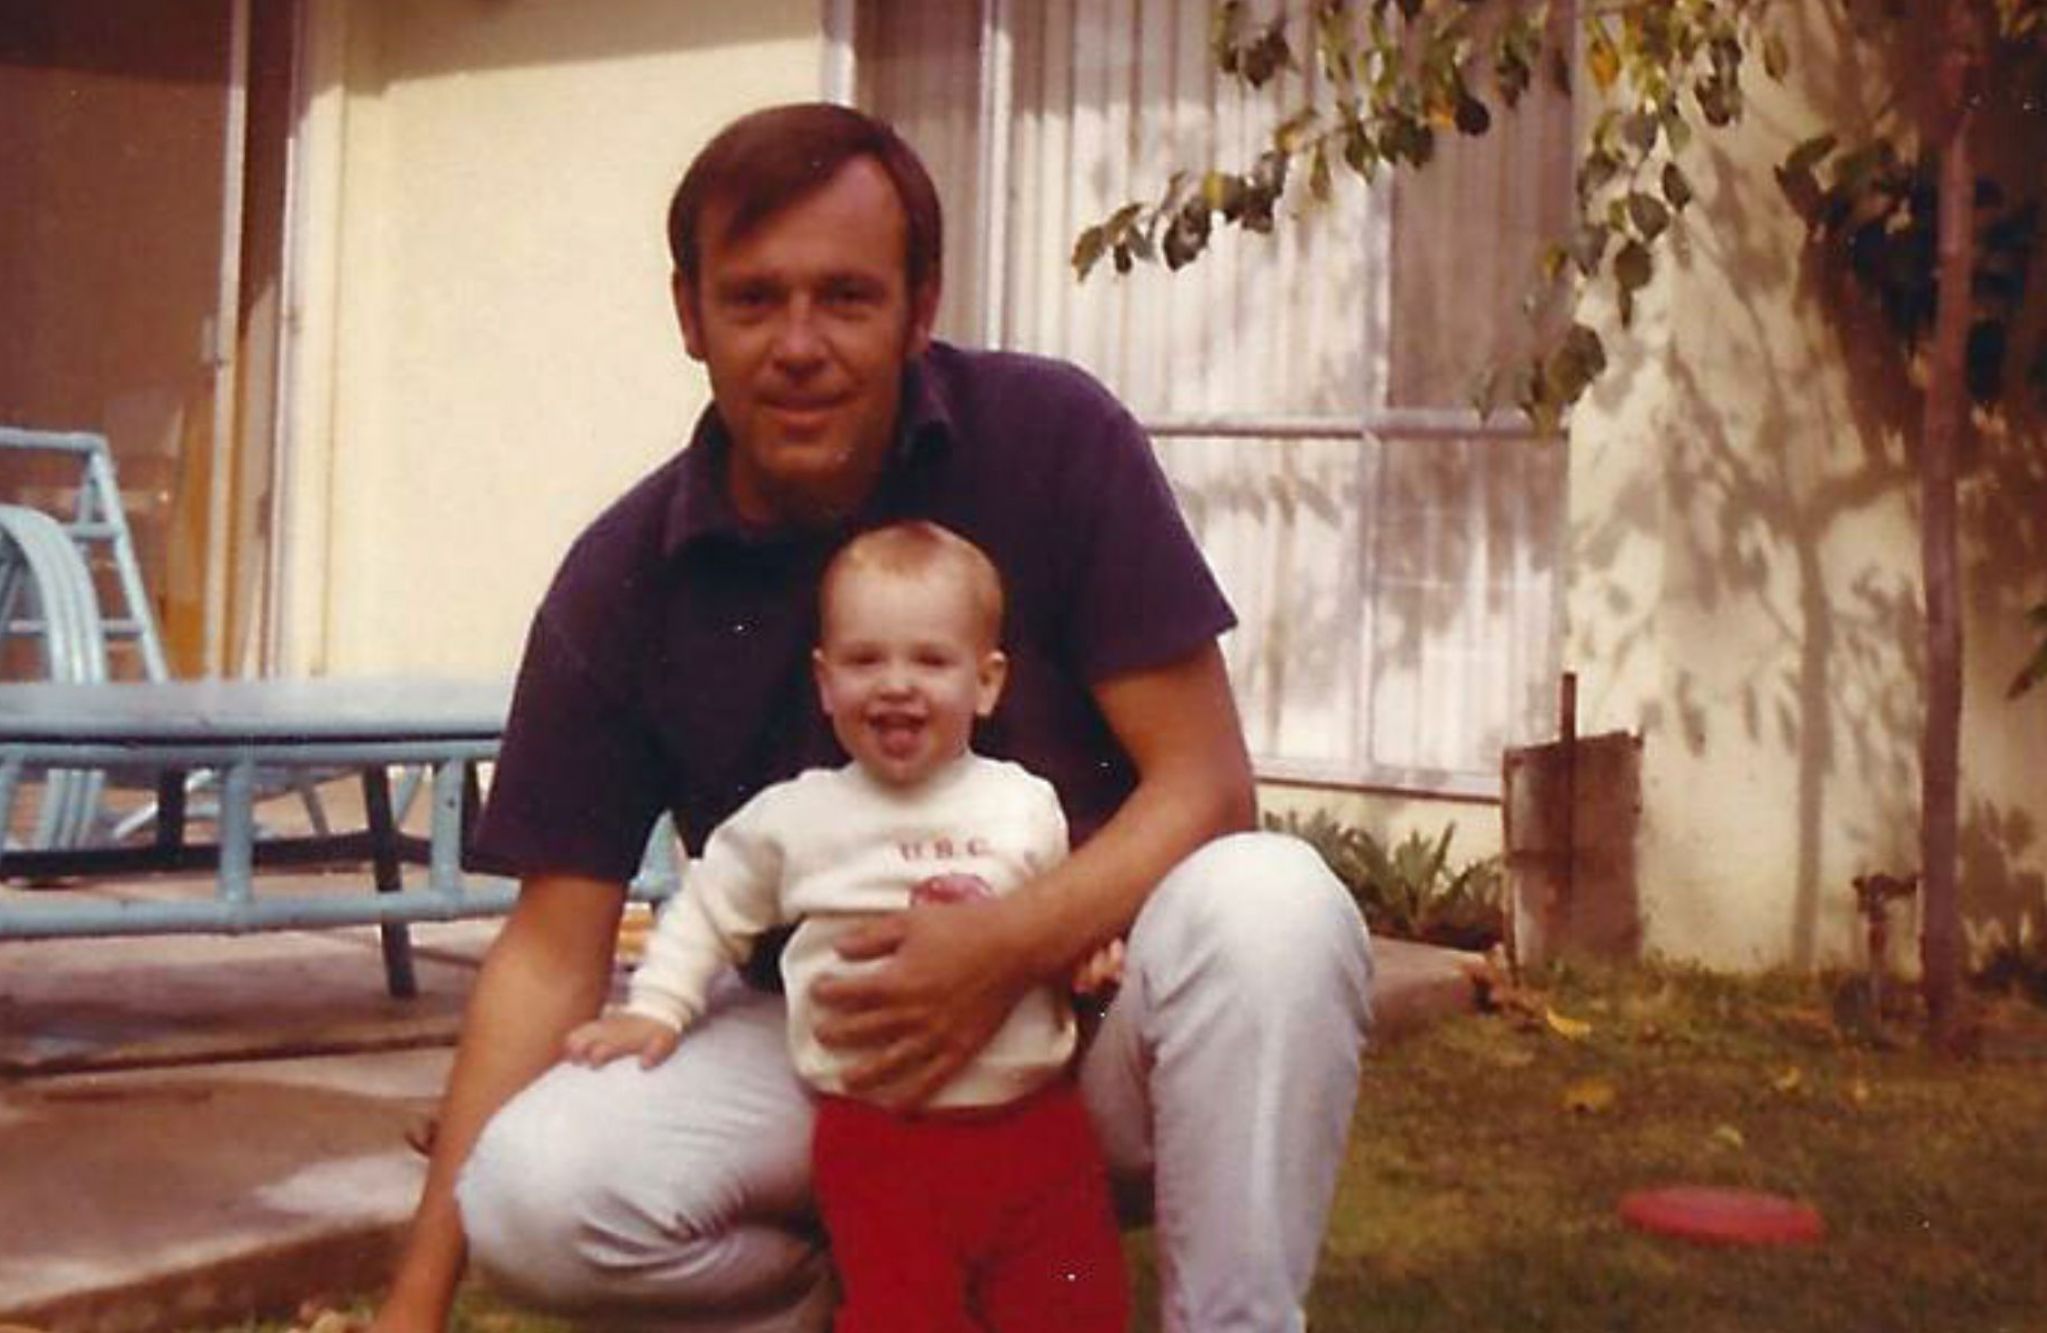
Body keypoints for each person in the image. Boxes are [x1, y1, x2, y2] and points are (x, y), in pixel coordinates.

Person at [372, 101, 1374, 1333]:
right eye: (753, 299)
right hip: (824, 1052)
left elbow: (1208, 787)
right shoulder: (626, 573)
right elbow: (548, 950)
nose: (799, 344)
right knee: (535, 1190)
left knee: (1273, 904)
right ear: (690, 315)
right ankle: (860, 1301)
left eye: (846, 296)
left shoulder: (1052, 441)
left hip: (1089, 1032)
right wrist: (410, 1312)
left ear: (920, 305)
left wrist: (1001, 949)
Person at [561, 519, 1129, 1332]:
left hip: (1034, 1124)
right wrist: (658, 1003)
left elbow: (1055, 911)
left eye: (931, 660)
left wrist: (1086, 953)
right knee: (902, 1312)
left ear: (987, 681)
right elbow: (711, 906)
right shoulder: (798, 818)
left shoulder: (1022, 802)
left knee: (1071, 1308)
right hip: (878, 1139)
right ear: (825, 683)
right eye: (866, 660)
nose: (896, 684)